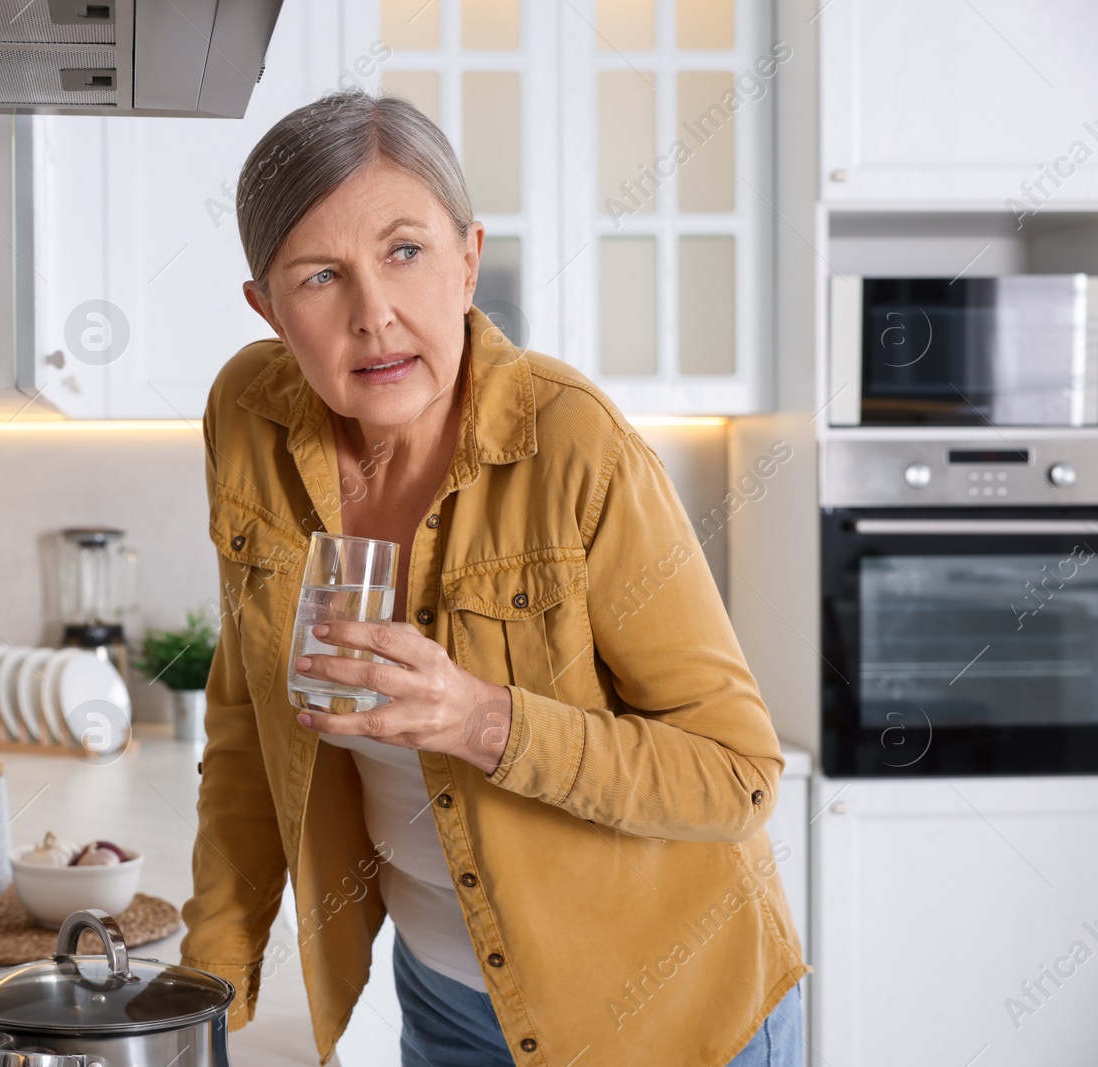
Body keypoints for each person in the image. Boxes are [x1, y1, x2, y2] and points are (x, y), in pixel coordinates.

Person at [178, 90, 807, 1067]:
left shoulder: (572, 443)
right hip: (447, 1006)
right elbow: (246, 719)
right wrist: (208, 981)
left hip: (662, 1015)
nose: (373, 315)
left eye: (404, 251)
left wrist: (481, 719)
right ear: (266, 306)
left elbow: (736, 774)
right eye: (319, 275)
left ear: (468, 259)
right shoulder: (246, 422)